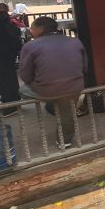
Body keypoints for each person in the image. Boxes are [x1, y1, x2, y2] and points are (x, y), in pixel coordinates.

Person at [18, 16, 87, 149]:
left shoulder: (30, 46)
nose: (31, 30)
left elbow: (25, 74)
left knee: (22, 90)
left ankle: (51, 103)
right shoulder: (75, 42)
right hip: (75, 86)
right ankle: (64, 141)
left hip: (47, 89)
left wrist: (39, 81)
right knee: (67, 110)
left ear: (39, 29)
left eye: (32, 28)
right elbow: (85, 67)